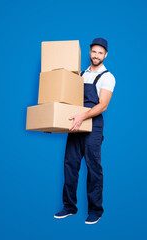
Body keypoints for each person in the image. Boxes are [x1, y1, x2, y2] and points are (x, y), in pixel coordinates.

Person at [54, 38, 116, 224]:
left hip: (93, 126)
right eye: (94, 51)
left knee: (93, 167)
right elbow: (69, 101)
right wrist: (52, 122)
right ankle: (69, 207)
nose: (96, 55)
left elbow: (103, 105)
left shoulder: (107, 77)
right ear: (89, 52)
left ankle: (95, 210)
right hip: (75, 124)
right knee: (70, 165)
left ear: (105, 55)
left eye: (100, 53)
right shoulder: (79, 74)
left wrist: (83, 116)